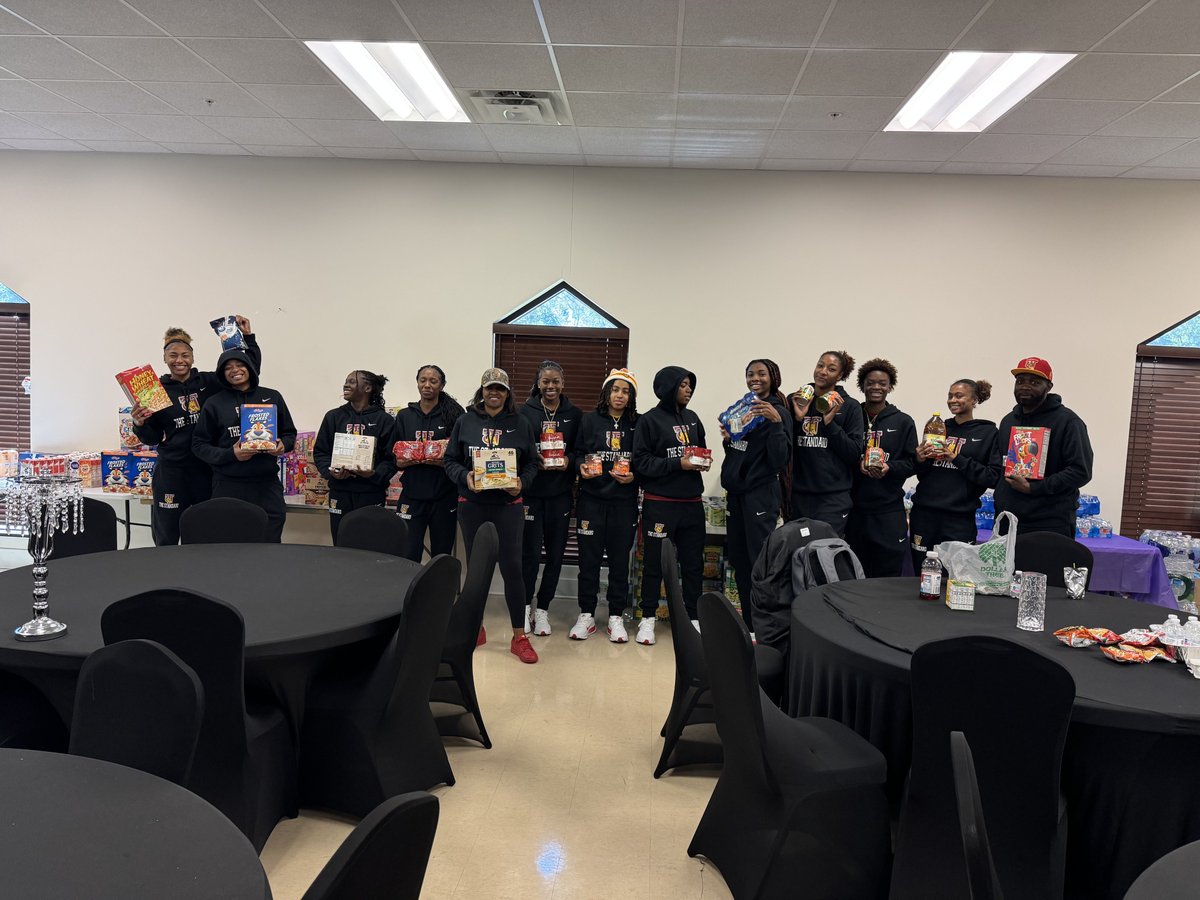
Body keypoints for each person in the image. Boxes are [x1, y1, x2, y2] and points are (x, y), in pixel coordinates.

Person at [130, 317, 261, 545]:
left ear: (192, 357)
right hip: (172, 471)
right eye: (173, 355)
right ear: (164, 358)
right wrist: (139, 423)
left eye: (185, 355)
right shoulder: (154, 391)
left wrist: (248, 338)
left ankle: (202, 577)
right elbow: (151, 437)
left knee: (205, 530)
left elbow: (247, 371)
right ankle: (167, 575)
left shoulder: (210, 382)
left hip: (206, 470)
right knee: (167, 534)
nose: (179, 360)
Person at [444, 368, 540, 664]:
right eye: (489, 388)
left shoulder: (521, 423)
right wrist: (465, 477)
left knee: (513, 569)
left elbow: (533, 464)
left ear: (507, 393)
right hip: (472, 504)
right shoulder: (465, 421)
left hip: (509, 507)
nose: (494, 393)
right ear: (482, 391)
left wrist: (523, 483)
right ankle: (476, 629)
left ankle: (519, 636)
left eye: (499, 389)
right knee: (476, 570)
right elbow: (450, 460)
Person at [631, 366, 707, 646]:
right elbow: (642, 463)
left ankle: (693, 617)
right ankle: (648, 618)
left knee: (693, 565)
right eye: (683, 384)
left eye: (690, 385)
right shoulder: (649, 421)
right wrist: (679, 463)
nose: (688, 389)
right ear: (668, 387)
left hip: (692, 504)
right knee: (653, 564)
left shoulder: (693, 418)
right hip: (660, 504)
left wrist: (702, 462)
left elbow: (700, 451)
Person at [191, 348, 297, 542]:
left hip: (266, 484)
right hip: (228, 485)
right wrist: (231, 454)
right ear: (222, 374)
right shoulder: (214, 403)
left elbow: (290, 434)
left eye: (240, 365)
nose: (235, 370)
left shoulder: (272, 396)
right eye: (228, 368)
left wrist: (283, 445)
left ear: (249, 367)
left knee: (269, 542)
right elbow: (199, 445)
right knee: (230, 543)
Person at [719, 359, 791, 628]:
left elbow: (779, 460)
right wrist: (728, 440)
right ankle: (748, 624)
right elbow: (741, 454)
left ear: (773, 376)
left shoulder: (778, 412)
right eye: (750, 374)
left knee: (759, 563)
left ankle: (763, 626)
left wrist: (774, 424)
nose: (755, 378)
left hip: (760, 495)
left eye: (761, 373)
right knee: (739, 560)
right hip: (736, 494)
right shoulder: (744, 409)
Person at [572, 368, 640, 642]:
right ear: (606, 392)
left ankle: (615, 616)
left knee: (619, 562)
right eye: (615, 389)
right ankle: (586, 614)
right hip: (591, 500)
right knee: (587, 561)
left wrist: (636, 476)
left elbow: (645, 459)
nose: (620, 395)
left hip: (623, 503)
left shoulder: (639, 423)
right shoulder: (589, 421)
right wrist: (581, 469)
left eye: (625, 391)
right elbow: (576, 454)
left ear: (631, 396)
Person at [992, 357, 1094, 538]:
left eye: (1034, 382)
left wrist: (1034, 488)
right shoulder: (1008, 421)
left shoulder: (1069, 422)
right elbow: (1001, 463)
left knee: (1042, 567)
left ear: (1049, 387)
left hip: (1049, 523)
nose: (1024, 386)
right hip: (1007, 521)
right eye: (1020, 381)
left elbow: (1080, 471)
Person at [909, 378, 1001, 572]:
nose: (953, 400)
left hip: (959, 518)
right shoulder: (938, 427)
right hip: (924, 515)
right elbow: (922, 474)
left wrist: (956, 458)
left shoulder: (988, 433)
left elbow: (992, 477)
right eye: (950, 396)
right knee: (922, 573)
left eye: (959, 396)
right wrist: (919, 459)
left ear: (974, 400)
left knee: (955, 577)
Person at [518, 361, 582, 638]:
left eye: (555, 381)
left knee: (555, 555)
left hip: (560, 495)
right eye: (546, 381)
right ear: (538, 383)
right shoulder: (524, 412)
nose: (551, 386)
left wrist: (568, 460)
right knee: (529, 554)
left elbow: (581, 451)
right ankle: (524, 606)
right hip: (532, 494)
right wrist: (535, 460)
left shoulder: (575, 414)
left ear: (563, 383)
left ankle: (543, 609)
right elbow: (518, 451)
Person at [845, 359, 916, 578]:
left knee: (887, 578)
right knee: (854, 575)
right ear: (862, 385)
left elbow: (913, 463)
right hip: (853, 510)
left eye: (882, 383)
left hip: (888, 511)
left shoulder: (903, 421)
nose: (876, 387)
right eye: (871, 382)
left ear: (890, 386)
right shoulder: (850, 415)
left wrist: (889, 468)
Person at [312, 370, 398, 542]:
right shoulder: (333, 417)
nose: (346, 385)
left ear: (367, 388)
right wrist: (331, 472)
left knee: (371, 543)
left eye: (352, 382)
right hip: (340, 492)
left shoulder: (384, 420)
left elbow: (391, 459)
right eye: (346, 381)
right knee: (341, 543)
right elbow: (320, 452)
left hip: (371, 493)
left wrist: (374, 474)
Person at [787, 350, 864, 536]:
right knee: (796, 554)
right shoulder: (795, 400)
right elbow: (784, 447)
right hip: (798, 495)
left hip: (832, 500)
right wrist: (797, 419)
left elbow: (854, 453)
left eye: (831, 369)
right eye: (820, 365)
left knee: (823, 556)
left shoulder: (850, 406)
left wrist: (830, 425)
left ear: (840, 375)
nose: (822, 371)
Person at [393, 365, 465, 561]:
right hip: (411, 496)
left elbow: (462, 457)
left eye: (433, 381)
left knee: (441, 555)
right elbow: (393, 454)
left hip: (444, 496)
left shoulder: (454, 415)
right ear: (417, 383)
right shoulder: (404, 416)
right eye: (422, 380)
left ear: (442, 385)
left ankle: (439, 592)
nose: (427, 385)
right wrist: (402, 461)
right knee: (407, 554)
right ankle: (407, 592)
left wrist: (441, 462)